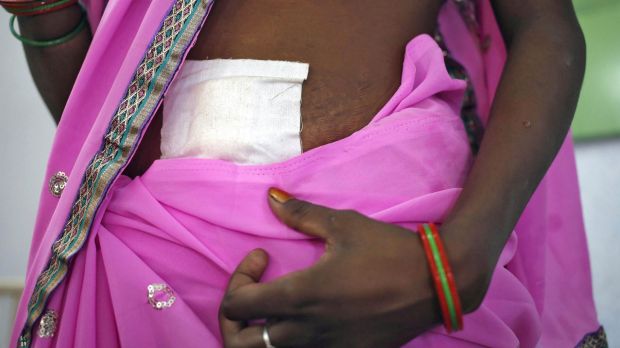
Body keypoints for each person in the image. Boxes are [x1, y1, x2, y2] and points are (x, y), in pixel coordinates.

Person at [3, 0, 606, 347]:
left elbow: (543, 26)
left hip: (390, 262)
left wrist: (457, 268)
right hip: (149, 271)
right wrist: (46, 11)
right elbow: (110, 131)